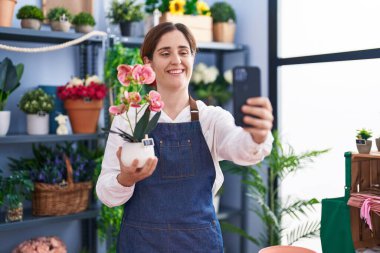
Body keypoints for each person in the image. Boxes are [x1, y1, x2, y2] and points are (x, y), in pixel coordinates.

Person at [96, 22, 274, 253]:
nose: (176, 60)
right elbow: (105, 193)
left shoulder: (211, 118)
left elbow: (240, 148)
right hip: (141, 243)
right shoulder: (128, 120)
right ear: (147, 63)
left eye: (184, 52)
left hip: (199, 244)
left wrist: (257, 136)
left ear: (192, 58)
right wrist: (125, 179)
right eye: (165, 53)